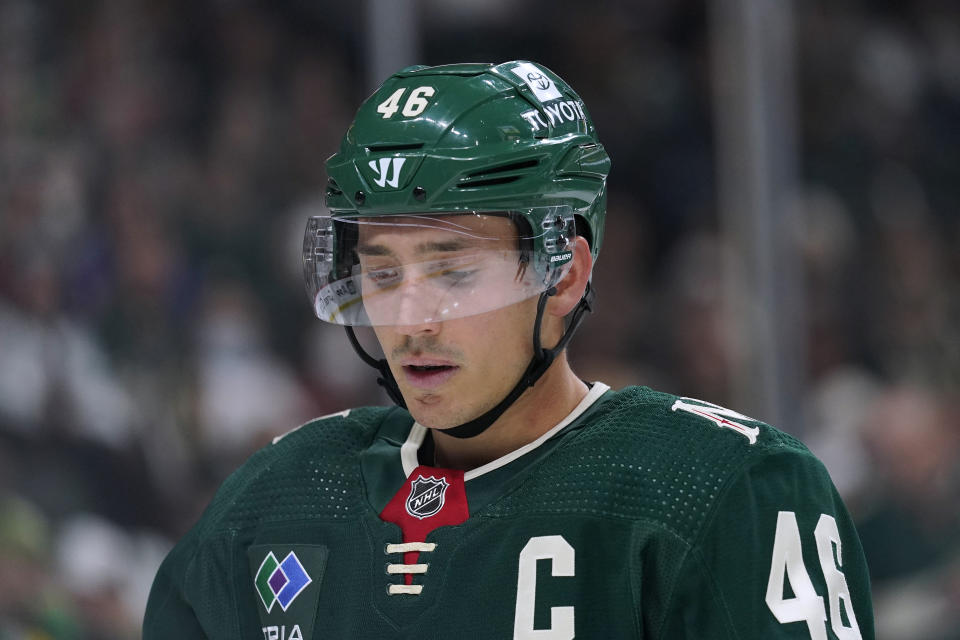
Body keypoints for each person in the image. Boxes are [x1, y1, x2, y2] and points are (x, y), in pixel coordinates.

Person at [144, 60, 875, 639]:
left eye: (454, 270)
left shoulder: (723, 490)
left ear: (565, 276)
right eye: (382, 270)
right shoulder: (280, 498)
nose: (411, 319)